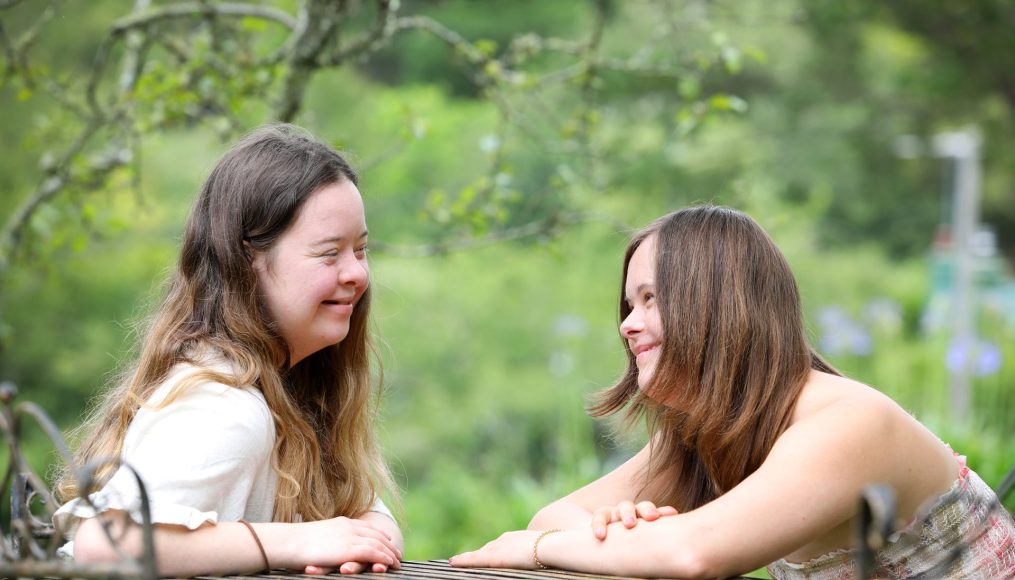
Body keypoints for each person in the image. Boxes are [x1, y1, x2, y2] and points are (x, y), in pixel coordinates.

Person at [450, 205, 1015, 578]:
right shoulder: (710, 432)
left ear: (714, 305)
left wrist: (536, 550)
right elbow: (557, 512)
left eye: (650, 300)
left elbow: (691, 554)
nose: (627, 325)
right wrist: (621, 533)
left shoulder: (849, 422)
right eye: (629, 305)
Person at [53, 124, 403, 577]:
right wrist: (296, 541)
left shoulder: (293, 388)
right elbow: (103, 545)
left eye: (360, 249)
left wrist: (363, 539)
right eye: (329, 253)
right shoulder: (225, 403)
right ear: (248, 262)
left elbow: (369, 516)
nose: (357, 273)